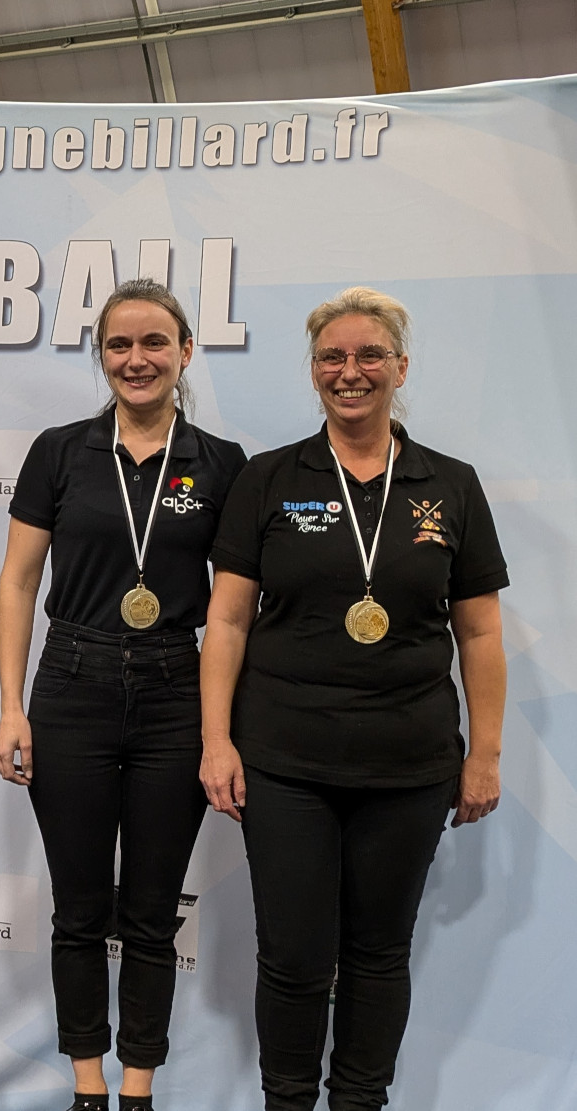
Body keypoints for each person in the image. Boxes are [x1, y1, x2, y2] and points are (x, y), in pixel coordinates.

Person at [200, 287, 507, 1111]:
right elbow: (225, 621)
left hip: (407, 766)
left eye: (369, 355)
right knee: (293, 958)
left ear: (399, 368)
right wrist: (215, 742)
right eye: (333, 357)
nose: (351, 371)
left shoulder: (450, 485)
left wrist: (483, 753)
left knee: (377, 954)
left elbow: (478, 635)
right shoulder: (269, 478)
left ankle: (359, 1103)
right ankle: (287, 1101)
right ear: (312, 373)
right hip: (285, 762)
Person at [0, 279, 247, 1111]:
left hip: (175, 688)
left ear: (182, 353)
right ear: (100, 355)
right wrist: (9, 703)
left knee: (148, 910)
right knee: (77, 908)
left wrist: (219, 731)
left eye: (153, 343)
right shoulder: (60, 451)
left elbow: (230, 609)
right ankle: (87, 1087)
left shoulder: (219, 464)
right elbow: (18, 581)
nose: (135, 360)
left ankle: (137, 1089)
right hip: (71, 684)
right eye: (118, 345)